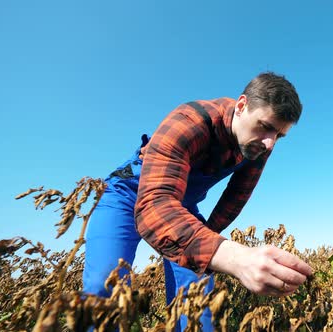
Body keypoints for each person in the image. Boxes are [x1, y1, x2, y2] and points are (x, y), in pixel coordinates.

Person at [82, 72, 313, 331]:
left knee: (199, 301)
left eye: (279, 135)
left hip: (182, 207)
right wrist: (234, 257)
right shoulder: (188, 121)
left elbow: (235, 197)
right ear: (241, 106)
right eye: (265, 126)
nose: (270, 143)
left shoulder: (259, 146)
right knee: (103, 289)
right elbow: (154, 205)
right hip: (129, 197)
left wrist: (206, 245)